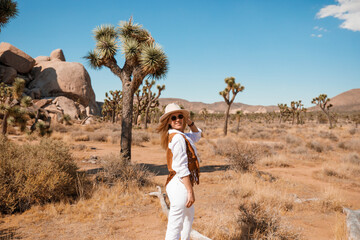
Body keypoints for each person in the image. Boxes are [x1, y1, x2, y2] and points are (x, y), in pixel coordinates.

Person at [156, 103, 201, 240]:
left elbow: (197, 135)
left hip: (177, 183)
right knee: (175, 226)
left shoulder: (182, 135)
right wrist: (189, 191)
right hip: (180, 184)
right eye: (173, 117)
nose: (177, 119)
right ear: (168, 122)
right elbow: (182, 167)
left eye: (180, 116)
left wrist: (190, 122)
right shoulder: (178, 138)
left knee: (187, 220)